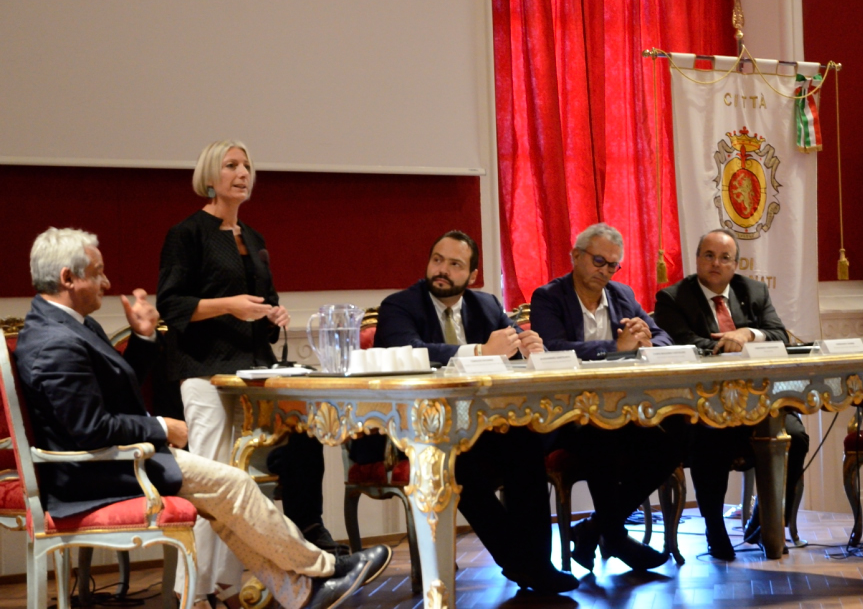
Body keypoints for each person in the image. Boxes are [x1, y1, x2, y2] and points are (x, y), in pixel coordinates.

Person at [16, 228, 391, 609]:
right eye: (97, 273)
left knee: (227, 498)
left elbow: (113, 395)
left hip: (117, 461)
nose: (107, 282)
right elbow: (91, 429)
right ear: (68, 278)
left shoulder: (71, 326)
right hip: (96, 474)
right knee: (235, 485)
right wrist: (162, 427)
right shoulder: (55, 342)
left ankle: (302, 593)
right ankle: (324, 569)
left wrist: (143, 339)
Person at [157, 141, 338, 604]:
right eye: (231, 165)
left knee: (236, 487)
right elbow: (171, 305)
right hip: (205, 373)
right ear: (209, 176)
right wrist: (230, 306)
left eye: (247, 166)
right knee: (214, 484)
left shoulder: (253, 238)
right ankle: (191, 594)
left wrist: (274, 315)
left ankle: (226, 588)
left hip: (252, 375)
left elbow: (264, 302)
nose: (243, 173)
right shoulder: (187, 234)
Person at [374, 230, 577, 594]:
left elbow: (514, 343)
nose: (442, 270)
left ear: (472, 274)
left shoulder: (486, 305)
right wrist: (481, 351)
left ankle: (537, 562)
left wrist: (531, 347)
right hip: (419, 432)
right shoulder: (399, 306)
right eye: (437, 260)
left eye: (455, 264)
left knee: (526, 446)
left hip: (481, 426)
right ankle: (523, 565)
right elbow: (410, 353)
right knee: (456, 463)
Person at [529, 222, 683, 572]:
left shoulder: (622, 294)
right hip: (564, 414)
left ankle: (596, 529)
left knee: (672, 443)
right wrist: (615, 348)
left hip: (621, 408)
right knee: (603, 440)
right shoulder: (548, 297)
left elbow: (663, 338)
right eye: (599, 261)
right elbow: (551, 349)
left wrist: (647, 341)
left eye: (613, 265)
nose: (606, 271)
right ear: (576, 256)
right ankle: (614, 537)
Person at [653, 228, 808, 561]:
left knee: (795, 435)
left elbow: (779, 334)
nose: (716, 263)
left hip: (758, 402)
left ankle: (767, 518)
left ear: (735, 264)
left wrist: (746, 334)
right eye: (709, 255)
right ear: (697, 259)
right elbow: (683, 342)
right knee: (711, 437)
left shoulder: (752, 290)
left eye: (725, 258)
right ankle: (715, 528)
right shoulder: (673, 297)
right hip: (701, 406)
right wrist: (729, 344)